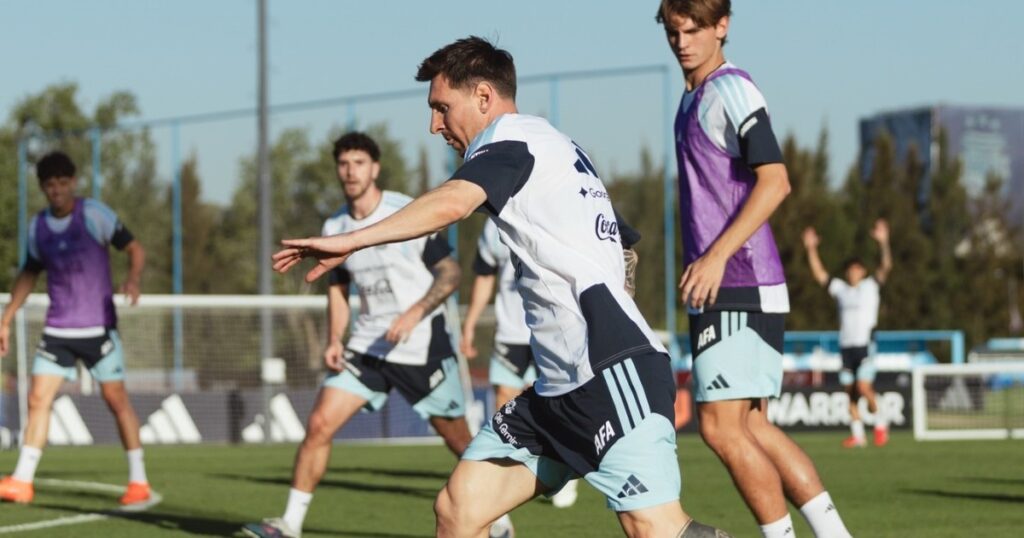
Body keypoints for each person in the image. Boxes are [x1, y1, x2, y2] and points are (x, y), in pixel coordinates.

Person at [272, 37, 728, 538]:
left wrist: (352, 241)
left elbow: (452, 203)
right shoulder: (554, 146)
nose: (434, 126)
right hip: (555, 392)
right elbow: (624, 250)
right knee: (459, 509)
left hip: (607, 374)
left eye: (442, 108)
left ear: (484, 97)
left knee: (656, 529)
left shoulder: (508, 141)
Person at [243, 132, 497, 538]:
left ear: (374, 168)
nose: (350, 172)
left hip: (421, 347)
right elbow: (338, 289)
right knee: (320, 423)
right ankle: (289, 523)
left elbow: (450, 274)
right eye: (344, 164)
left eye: (359, 163)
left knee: (460, 442)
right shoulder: (334, 225)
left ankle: (498, 518)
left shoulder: (406, 211)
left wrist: (415, 312)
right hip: (368, 346)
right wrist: (334, 338)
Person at [659, 1, 851, 536]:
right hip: (732, 283)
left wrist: (716, 256)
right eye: (674, 32)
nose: (682, 42)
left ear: (722, 27)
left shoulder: (730, 89)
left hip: (738, 279)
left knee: (721, 428)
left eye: (694, 30)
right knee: (750, 425)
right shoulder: (693, 97)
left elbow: (776, 180)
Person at [0, 151, 150, 506]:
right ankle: (22, 480)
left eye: (62, 183)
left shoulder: (94, 215)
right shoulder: (38, 227)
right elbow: (29, 273)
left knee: (116, 400)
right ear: (42, 188)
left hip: (98, 330)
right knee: (37, 398)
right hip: (59, 331)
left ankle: (138, 480)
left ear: (73, 183)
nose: (57, 190)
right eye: (49, 185)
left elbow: (134, 248)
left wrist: (132, 279)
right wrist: (5, 319)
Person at [460, 218, 639, 511]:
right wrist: (470, 324)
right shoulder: (493, 225)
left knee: (558, 401)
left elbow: (622, 246)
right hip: (510, 331)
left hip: (553, 331)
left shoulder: (555, 209)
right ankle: (510, 471)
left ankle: (564, 463)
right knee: (504, 397)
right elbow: (484, 275)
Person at [802, 219, 892, 448]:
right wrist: (811, 248)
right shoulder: (841, 290)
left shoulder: (870, 286)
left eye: (856, 269)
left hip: (865, 345)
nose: (853, 272)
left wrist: (884, 242)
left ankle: (881, 422)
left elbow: (886, 267)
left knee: (863, 387)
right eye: (850, 269)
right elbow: (820, 274)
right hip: (846, 346)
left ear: (863, 271)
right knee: (850, 391)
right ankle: (858, 435)